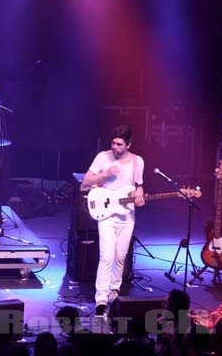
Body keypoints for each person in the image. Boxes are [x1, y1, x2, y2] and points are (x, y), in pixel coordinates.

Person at [82, 125, 145, 316]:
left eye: (120, 144)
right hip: (107, 214)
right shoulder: (103, 157)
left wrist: (140, 196)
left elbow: (138, 186)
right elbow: (86, 182)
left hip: (127, 215)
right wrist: (105, 174)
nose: (115, 147)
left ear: (129, 144)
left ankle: (113, 292)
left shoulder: (137, 161)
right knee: (106, 256)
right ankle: (100, 299)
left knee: (120, 258)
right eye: (113, 143)